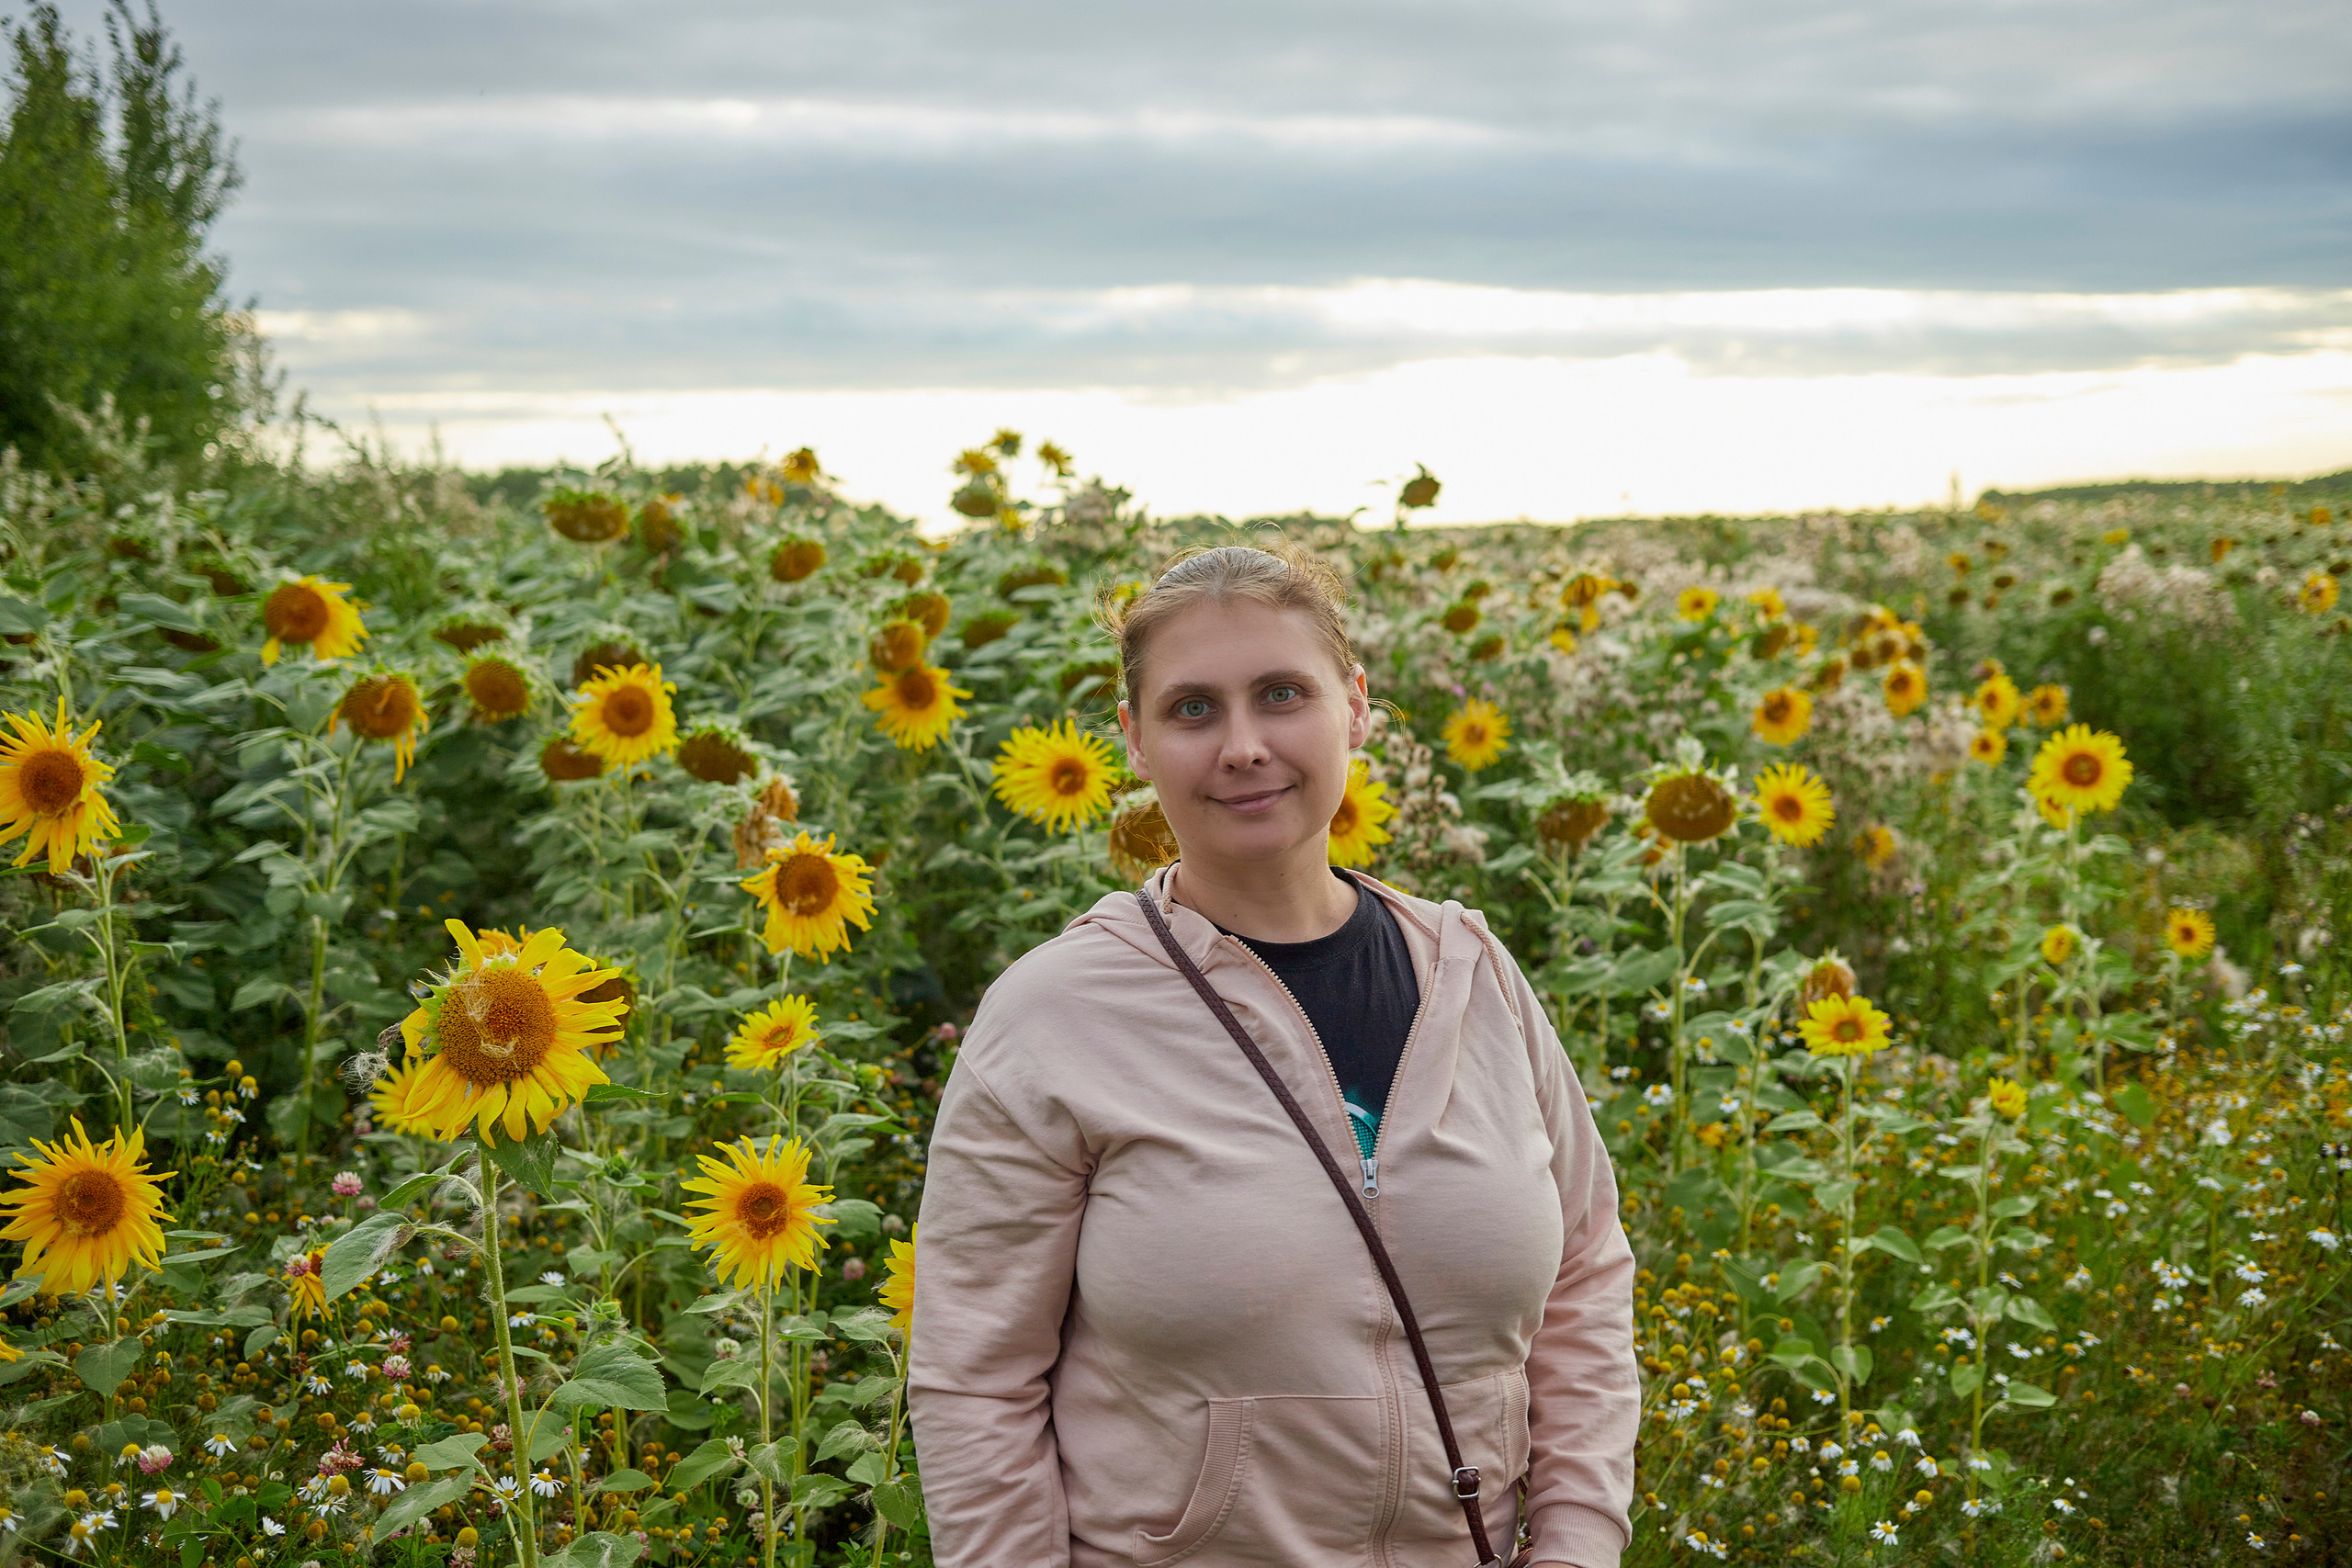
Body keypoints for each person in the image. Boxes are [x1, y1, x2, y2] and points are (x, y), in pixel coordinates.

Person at [910, 543, 1637, 1568]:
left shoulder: (1477, 977)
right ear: (1134, 740)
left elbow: (1585, 1277)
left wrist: (1576, 1542)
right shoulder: (1053, 1017)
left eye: (1282, 694)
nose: (1244, 746)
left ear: (1356, 707)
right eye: (1192, 709)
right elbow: (975, 1382)